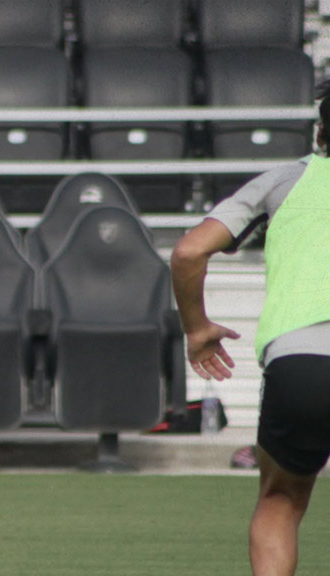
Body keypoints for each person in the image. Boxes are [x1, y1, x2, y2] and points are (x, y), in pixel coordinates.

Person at [171, 79, 330, 576]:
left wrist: (197, 329)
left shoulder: (285, 180)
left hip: (302, 362)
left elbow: (188, 251)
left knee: (280, 498)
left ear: (321, 132)